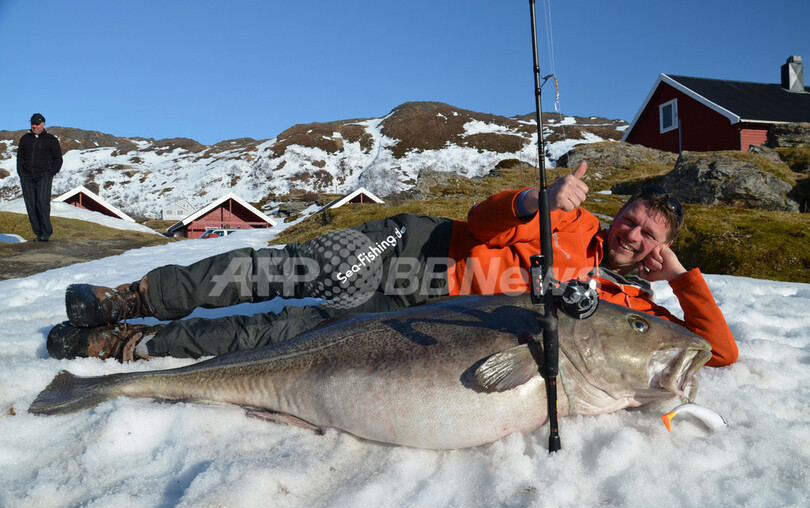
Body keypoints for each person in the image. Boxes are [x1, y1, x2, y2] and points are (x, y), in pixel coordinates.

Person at [47, 161, 738, 367]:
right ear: (619, 216)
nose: (634, 237)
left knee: (285, 335)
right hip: (419, 250)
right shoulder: (571, 216)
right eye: (633, 221)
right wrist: (537, 198)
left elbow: (717, 351)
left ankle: (130, 345)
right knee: (280, 272)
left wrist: (680, 278)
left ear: (657, 250)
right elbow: (479, 221)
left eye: (649, 238)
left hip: (423, 316)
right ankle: (132, 297)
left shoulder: (632, 309)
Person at [16, 113, 63, 242]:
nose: (34, 126)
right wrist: (21, 172)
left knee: (42, 203)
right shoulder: (25, 139)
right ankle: (38, 233)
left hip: (44, 175)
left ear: (43, 124)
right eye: (32, 123)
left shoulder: (51, 139)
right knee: (30, 205)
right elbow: (19, 157)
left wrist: (50, 172)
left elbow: (58, 159)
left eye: (37, 124)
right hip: (27, 176)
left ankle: (46, 232)